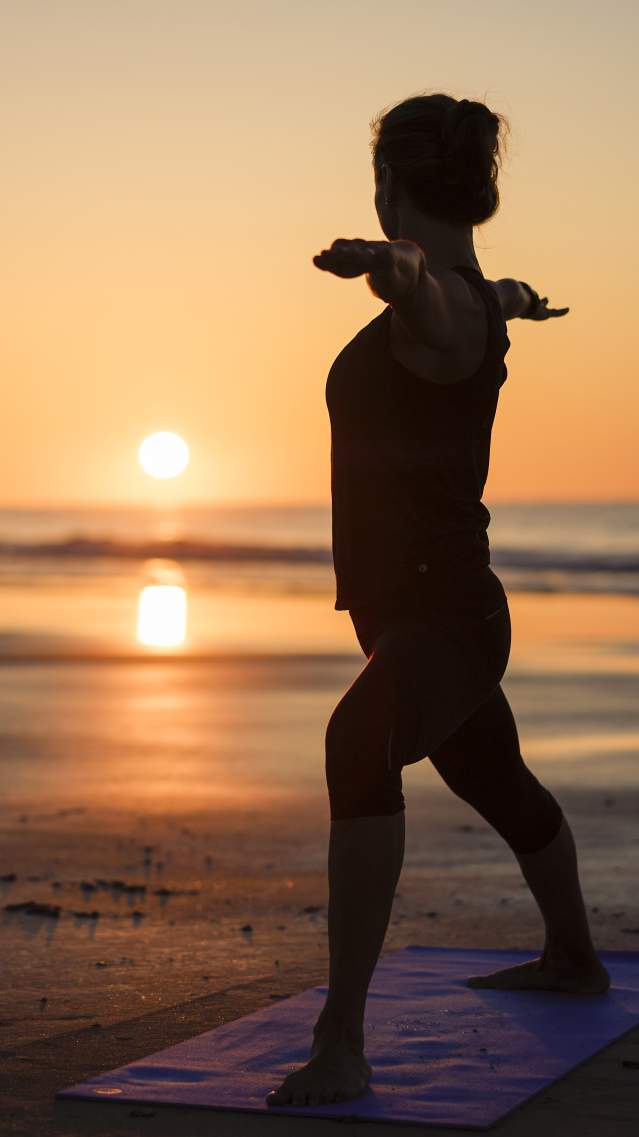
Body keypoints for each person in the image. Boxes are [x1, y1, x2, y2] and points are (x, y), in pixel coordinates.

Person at [266, 92, 609, 1112]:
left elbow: (429, 295)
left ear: (389, 189)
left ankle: (342, 1043)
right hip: (422, 617)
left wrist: (391, 269)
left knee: (355, 747)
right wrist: (516, 292)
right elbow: (476, 293)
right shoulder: (476, 296)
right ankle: (573, 958)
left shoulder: (433, 301)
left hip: (446, 618)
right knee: (492, 773)